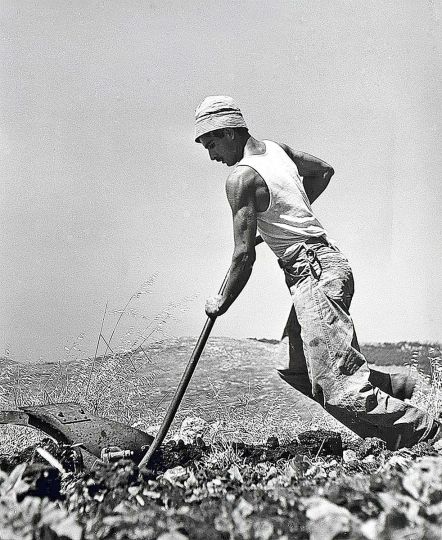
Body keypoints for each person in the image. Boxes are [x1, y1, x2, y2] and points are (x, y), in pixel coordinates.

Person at [194, 95, 440, 450]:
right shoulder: (277, 151)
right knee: (293, 367)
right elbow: (323, 170)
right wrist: (287, 219)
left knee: (337, 387)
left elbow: (243, 256)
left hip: (314, 272)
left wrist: (221, 300)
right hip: (325, 264)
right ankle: (408, 388)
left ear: (230, 132)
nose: (212, 156)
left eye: (212, 143)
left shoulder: (241, 179)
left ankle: (429, 434)